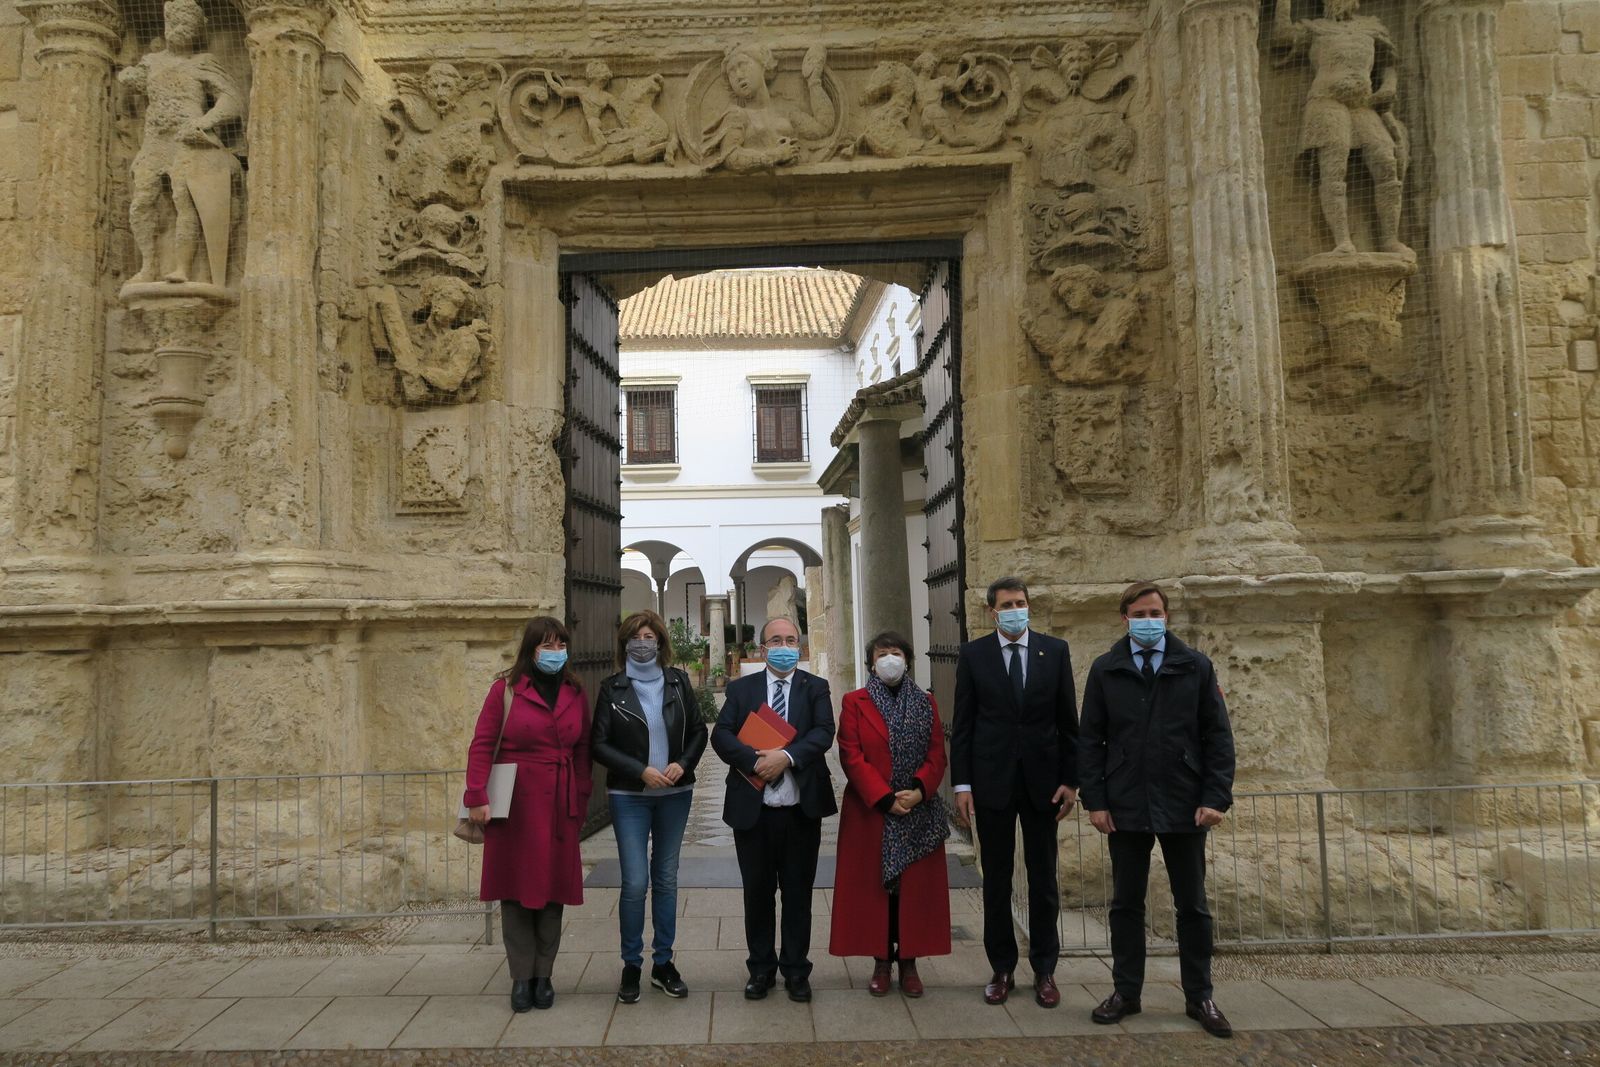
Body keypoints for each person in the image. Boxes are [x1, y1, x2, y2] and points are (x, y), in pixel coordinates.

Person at [1079, 581, 1236, 1039]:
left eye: (1157, 612)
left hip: (1185, 803)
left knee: (1192, 905)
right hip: (1125, 802)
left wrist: (1215, 796)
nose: (1150, 620)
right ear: (1124, 618)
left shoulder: (1195, 666)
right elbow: (1091, 740)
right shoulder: (1106, 669)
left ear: (1167, 616)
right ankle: (1126, 991)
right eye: (1140, 613)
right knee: (1126, 903)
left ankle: (1199, 995)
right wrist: (1097, 800)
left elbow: (1218, 738)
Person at [950, 576, 1079, 1008]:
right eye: (1006, 604)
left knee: (1043, 880)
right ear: (992, 611)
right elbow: (963, 725)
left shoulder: (1054, 651)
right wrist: (962, 784)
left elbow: (1068, 723)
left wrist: (1071, 780)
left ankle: (1045, 969)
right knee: (997, 880)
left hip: (1043, 784)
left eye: (1020, 603)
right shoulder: (974, 655)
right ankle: (1001, 967)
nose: (1015, 610)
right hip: (992, 783)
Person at [464, 616, 593, 1013]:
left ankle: (544, 974)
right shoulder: (504, 690)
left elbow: (584, 753)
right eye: (547, 646)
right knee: (516, 894)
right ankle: (521, 976)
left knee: (553, 893)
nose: (555, 653)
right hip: (515, 807)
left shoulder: (575, 691)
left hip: (559, 805)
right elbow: (482, 743)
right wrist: (476, 795)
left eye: (561, 646)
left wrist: (581, 802)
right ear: (531, 649)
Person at [710, 616, 837, 1002]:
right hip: (754, 810)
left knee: (798, 894)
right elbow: (722, 734)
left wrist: (786, 756)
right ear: (763, 649)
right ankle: (761, 969)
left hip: (800, 810)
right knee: (758, 893)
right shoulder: (743, 689)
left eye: (791, 640)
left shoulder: (814, 687)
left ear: (800, 646)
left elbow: (823, 732)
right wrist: (754, 762)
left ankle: (797, 969)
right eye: (776, 640)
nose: (784, 646)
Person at [590, 610, 709, 1004]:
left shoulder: (677, 682)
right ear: (626, 643)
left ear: (659, 641)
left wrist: (683, 763)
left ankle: (663, 964)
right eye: (636, 636)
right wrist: (640, 770)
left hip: (675, 794)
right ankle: (631, 964)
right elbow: (600, 744)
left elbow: (697, 730)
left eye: (649, 635)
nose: (643, 641)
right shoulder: (613, 688)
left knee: (666, 878)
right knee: (636, 881)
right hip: (630, 796)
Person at [830, 631, 951, 997]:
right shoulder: (855, 701)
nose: (890, 659)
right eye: (883, 654)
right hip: (873, 811)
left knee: (912, 893)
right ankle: (881, 961)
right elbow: (850, 754)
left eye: (896, 653)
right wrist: (885, 798)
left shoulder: (926, 702)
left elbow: (936, 752)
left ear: (908, 660)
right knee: (878, 891)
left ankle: (910, 962)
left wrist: (918, 791)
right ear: (871, 662)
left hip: (918, 810)